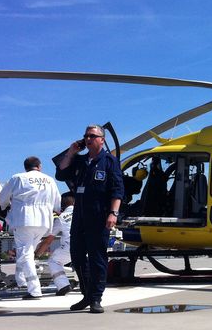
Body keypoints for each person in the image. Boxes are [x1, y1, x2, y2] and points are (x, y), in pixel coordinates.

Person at [56, 124, 124, 314]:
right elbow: (61, 174)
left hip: (99, 216)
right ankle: (86, 294)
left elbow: (117, 190)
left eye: (92, 136)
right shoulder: (79, 161)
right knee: (76, 256)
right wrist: (71, 152)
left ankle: (96, 298)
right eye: (86, 136)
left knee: (97, 259)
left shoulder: (110, 162)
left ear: (102, 139)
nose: (88, 139)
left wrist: (114, 213)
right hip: (80, 216)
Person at [0, 156, 61, 300]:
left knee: (25, 253)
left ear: (25, 167)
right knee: (28, 252)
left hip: (24, 219)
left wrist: (4, 205)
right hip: (44, 221)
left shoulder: (18, 178)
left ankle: (34, 289)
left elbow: (3, 198)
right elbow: (57, 202)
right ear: (39, 166)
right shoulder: (49, 179)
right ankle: (20, 279)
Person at [35, 192, 75, 296]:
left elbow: (48, 241)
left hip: (71, 247)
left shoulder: (62, 218)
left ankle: (63, 285)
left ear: (62, 205)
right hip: (88, 245)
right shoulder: (85, 213)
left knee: (54, 261)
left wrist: (37, 254)